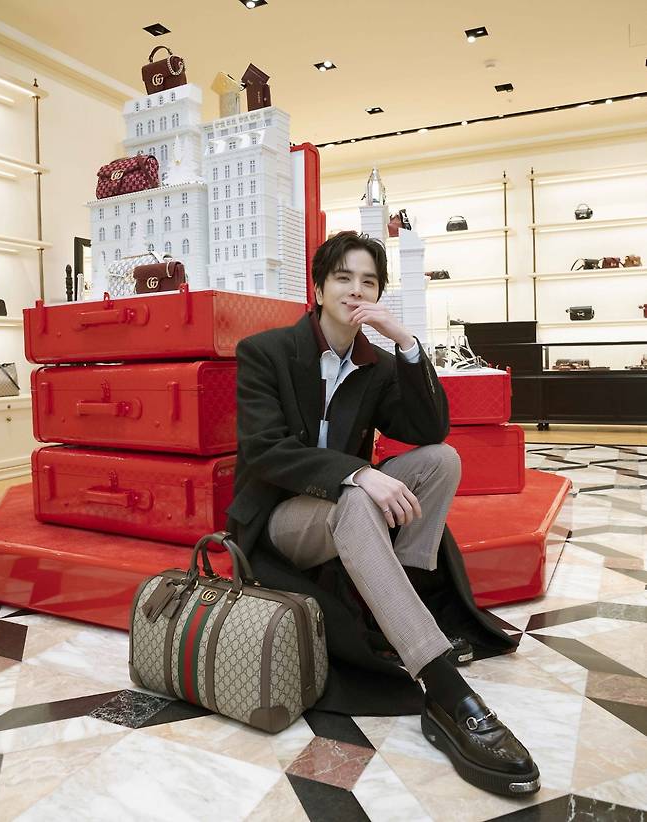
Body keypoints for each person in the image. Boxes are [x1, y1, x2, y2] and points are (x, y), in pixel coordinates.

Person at [227, 231, 540, 797]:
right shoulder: (265, 352)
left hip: (344, 506)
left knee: (441, 461)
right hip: (279, 519)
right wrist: (357, 473)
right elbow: (265, 450)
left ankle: (400, 611)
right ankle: (443, 687)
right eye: (343, 277)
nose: (355, 290)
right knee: (356, 496)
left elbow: (429, 430)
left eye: (368, 281)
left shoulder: (375, 362)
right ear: (318, 288)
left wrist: (407, 343)